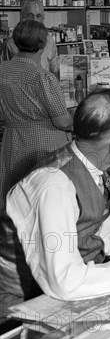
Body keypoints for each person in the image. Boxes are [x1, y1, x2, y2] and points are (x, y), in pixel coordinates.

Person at [0, 89, 110, 321]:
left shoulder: (92, 170)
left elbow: (109, 237)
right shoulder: (53, 185)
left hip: (63, 300)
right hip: (21, 315)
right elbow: (66, 282)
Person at [0, 20, 72, 204]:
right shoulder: (42, 77)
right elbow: (62, 122)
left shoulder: (2, 71)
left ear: (15, 41)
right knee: (44, 199)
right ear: (43, 44)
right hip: (44, 146)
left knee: (16, 199)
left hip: (12, 142)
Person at [1, 0, 60, 78]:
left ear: (43, 18)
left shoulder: (49, 40)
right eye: (30, 15)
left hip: (45, 87)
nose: (34, 20)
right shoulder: (10, 44)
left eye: (38, 16)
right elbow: (4, 75)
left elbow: (55, 71)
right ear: (22, 16)